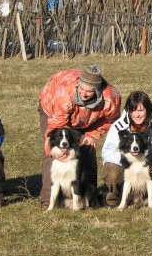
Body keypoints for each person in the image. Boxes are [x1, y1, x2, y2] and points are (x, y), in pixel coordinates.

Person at [38, 65, 121, 209]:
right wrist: (51, 150)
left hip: (89, 118)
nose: (83, 93)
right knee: (54, 152)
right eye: (81, 89)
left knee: (87, 149)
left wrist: (92, 135)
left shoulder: (111, 98)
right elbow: (55, 126)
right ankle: (48, 200)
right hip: (53, 109)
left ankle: (89, 196)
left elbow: (111, 119)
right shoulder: (65, 94)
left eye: (88, 91)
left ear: (97, 90)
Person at [101, 91, 152, 207]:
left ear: (147, 110)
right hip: (127, 164)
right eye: (133, 110)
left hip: (149, 163)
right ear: (128, 110)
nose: (137, 115)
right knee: (112, 171)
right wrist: (126, 160)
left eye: (141, 110)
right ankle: (114, 199)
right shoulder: (118, 126)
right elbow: (107, 151)